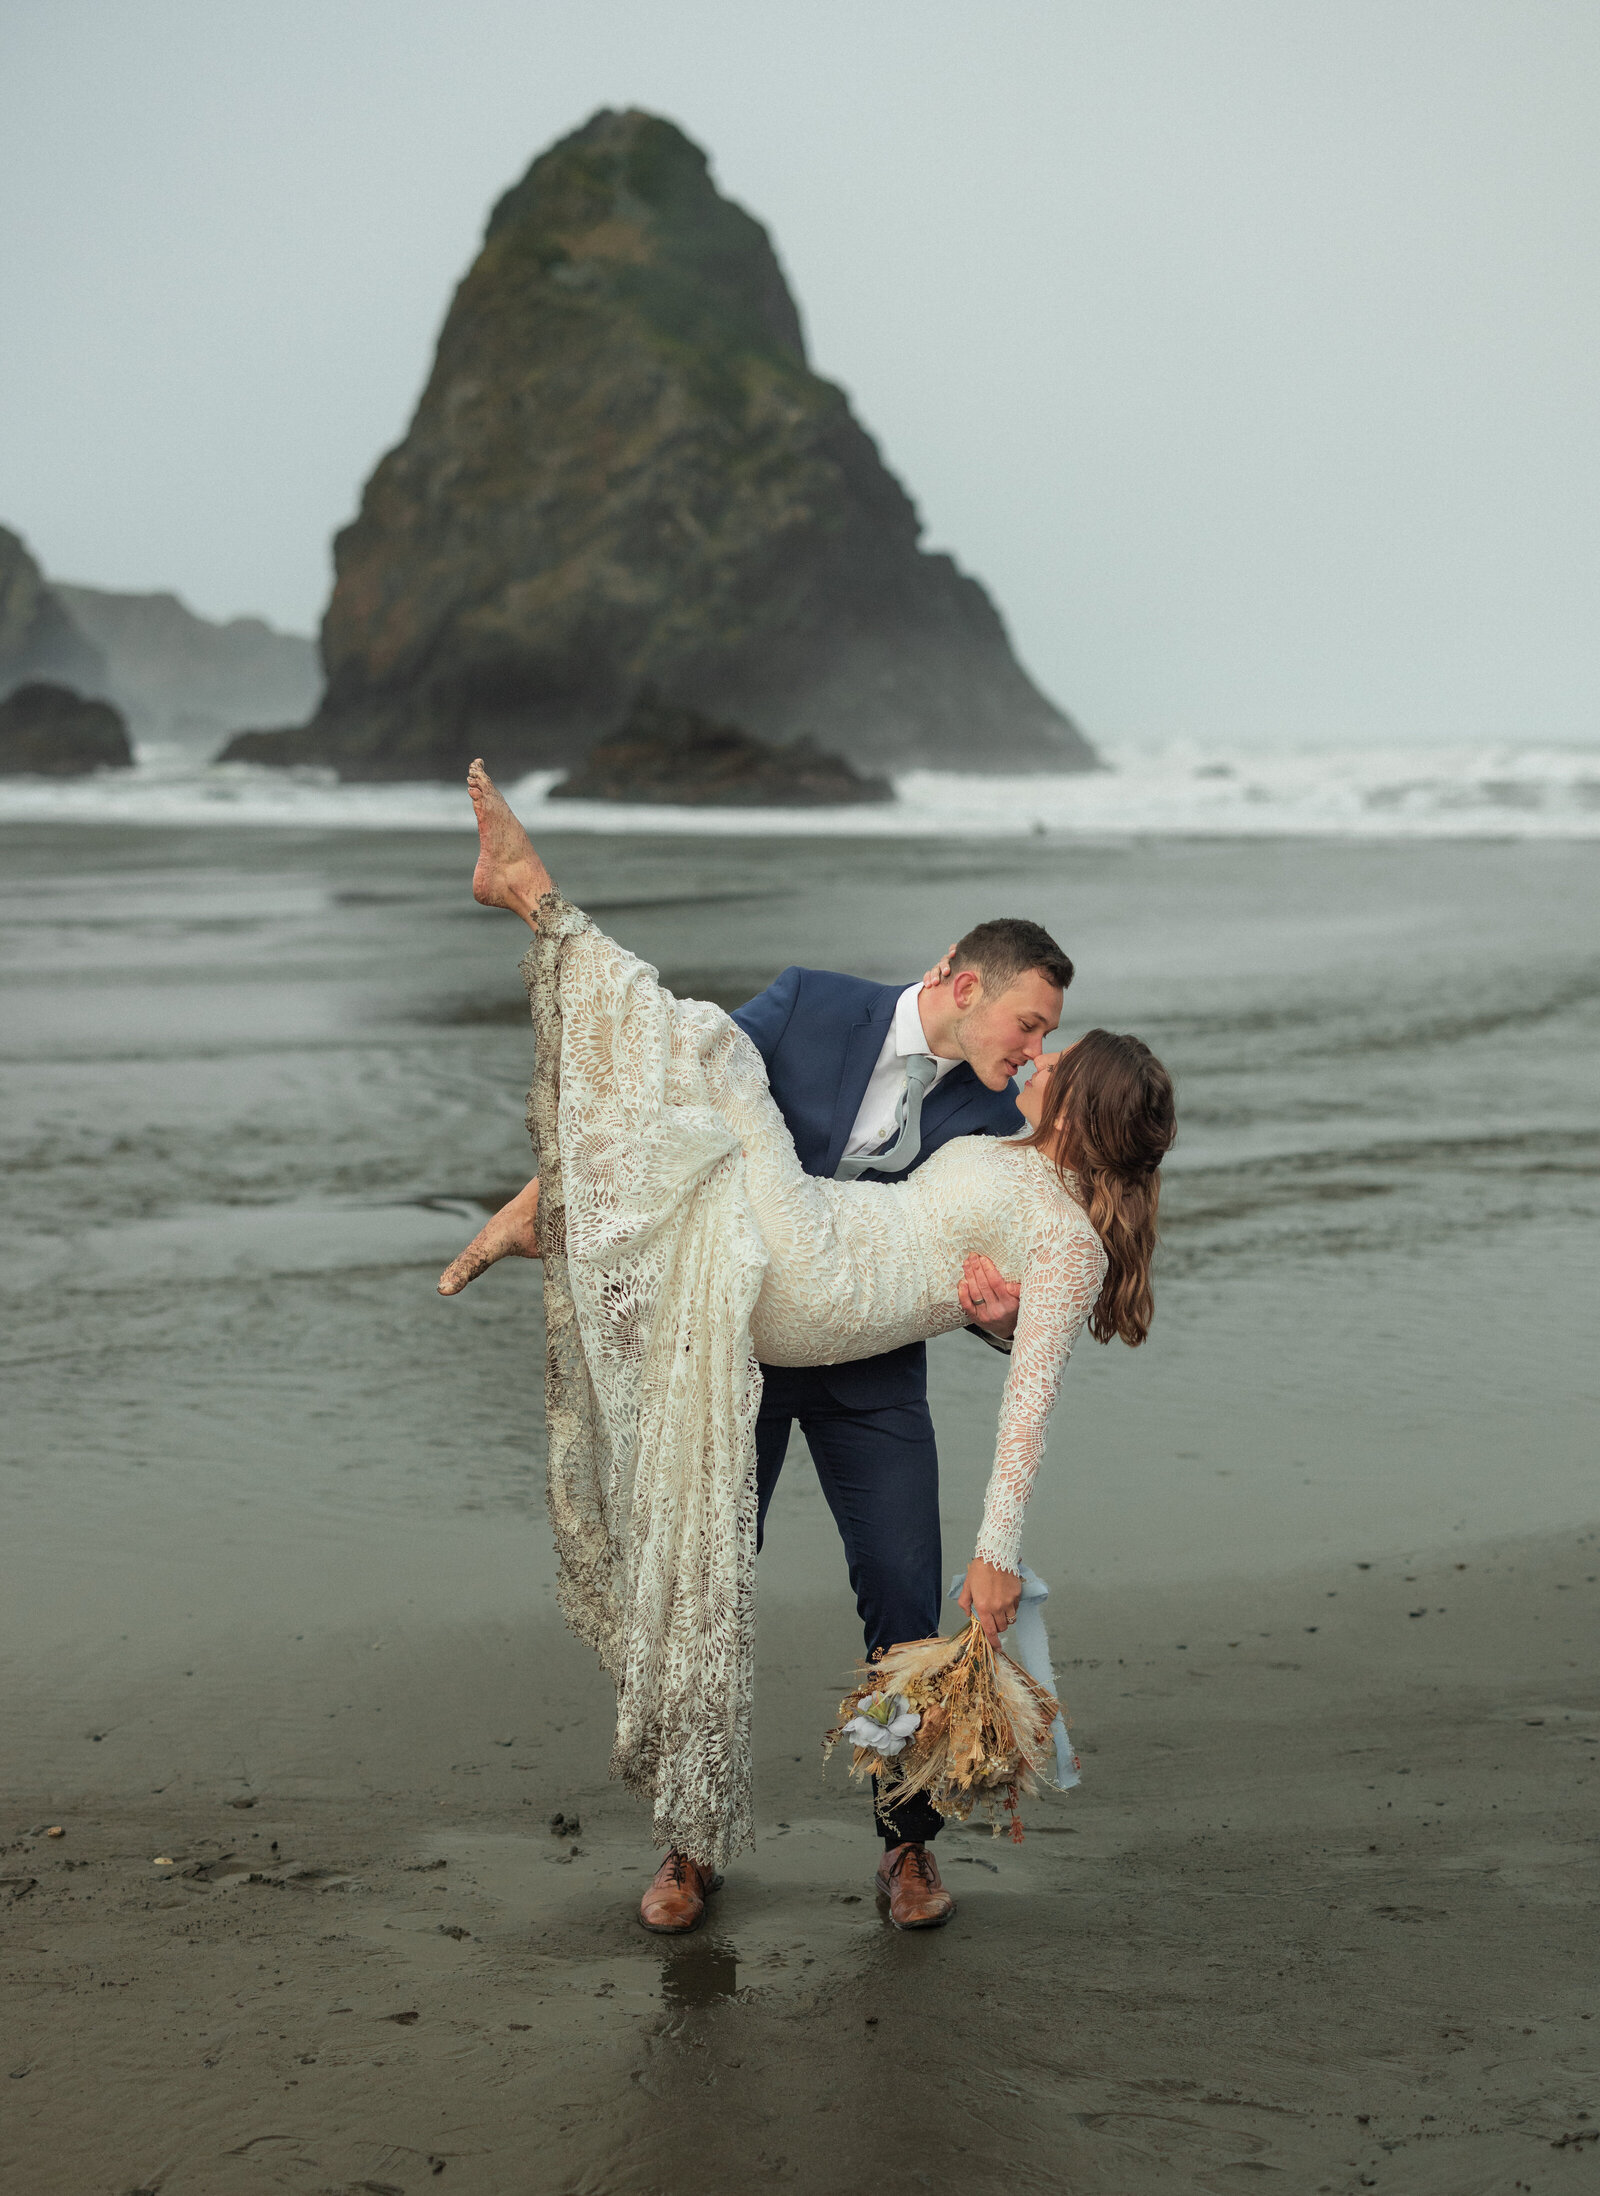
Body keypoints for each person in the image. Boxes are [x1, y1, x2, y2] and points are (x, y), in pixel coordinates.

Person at [441, 763, 1175, 1934]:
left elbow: (1022, 1307)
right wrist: (557, 1186)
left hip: (868, 1363)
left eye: (1048, 1041)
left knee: (899, 1604)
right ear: (958, 980)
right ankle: (690, 1844)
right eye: (1026, 1023)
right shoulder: (808, 1006)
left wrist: (988, 1314)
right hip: (745, 1331)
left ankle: (906, 1850)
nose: (1031, 1052)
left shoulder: (1003, 1117)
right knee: (704, 1580)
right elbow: (661, 1110)